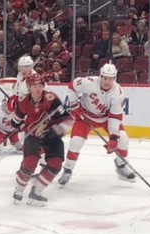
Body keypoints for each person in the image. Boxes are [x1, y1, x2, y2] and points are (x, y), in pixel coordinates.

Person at [58, 63, 136, 187]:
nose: (107, 81)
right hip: (85, 116)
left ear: (114, 78)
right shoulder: (89, 82)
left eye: (110, 79)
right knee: (76, 142)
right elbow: (72, 86)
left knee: (123, 138)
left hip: (106, 119)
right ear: (101, 76)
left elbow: (115, 117)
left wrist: (113, 138)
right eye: (105, 78)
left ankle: (121, 165)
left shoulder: (118, 93)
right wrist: (74, 104)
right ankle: (67, 170)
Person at [11, 73, 72, 206]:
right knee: (29, 163)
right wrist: (17, 124)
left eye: (40, 86)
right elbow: (15, 121)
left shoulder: (51, 99)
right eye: (34, 86)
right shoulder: (23, 102)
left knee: (55, 164)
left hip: (52, 135)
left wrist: (54, 131)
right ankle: (19, 189)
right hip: (32, 136)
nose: (38, 89)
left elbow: (68, 119)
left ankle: (36, 192)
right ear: (28, 87)